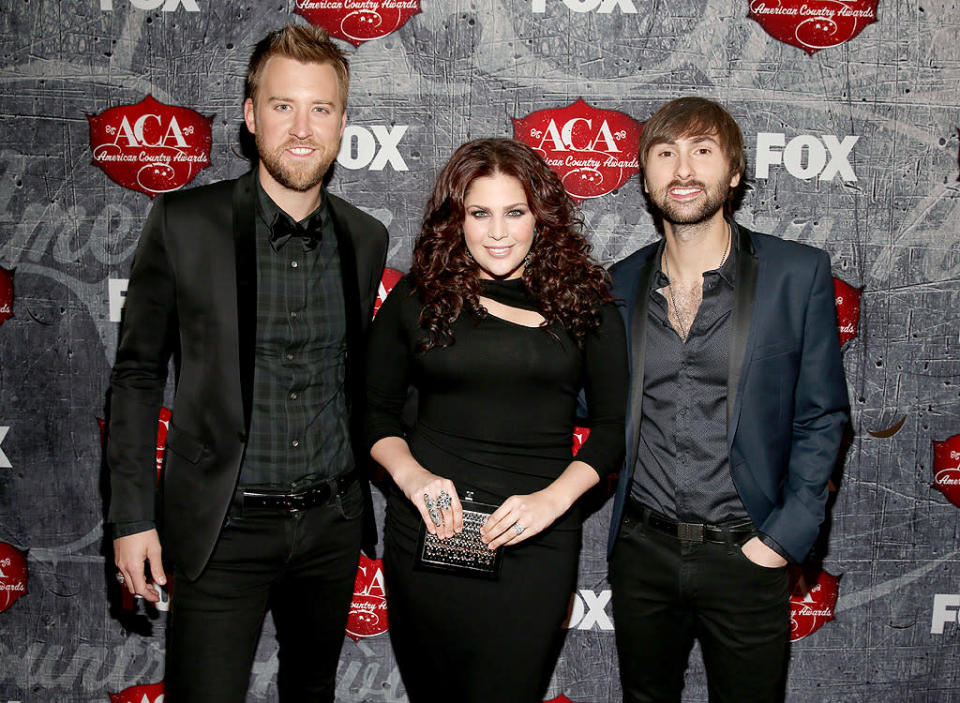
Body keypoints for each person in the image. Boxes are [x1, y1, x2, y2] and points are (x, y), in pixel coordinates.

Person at [106, 24, 388, 702]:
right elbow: (138, 374)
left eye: (320, 108)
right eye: (282, 105)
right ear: (249, 114)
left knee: (311, 690)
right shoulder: (183, 223)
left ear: (342, 122)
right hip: (221, 524)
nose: (301, 127)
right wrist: (131, 517)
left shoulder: (365, 237)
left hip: (331, 522)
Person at [365, 138, 627, 702]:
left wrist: (550, 503)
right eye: (480, 214)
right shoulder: (420, 295)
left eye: (515, 212)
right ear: (456, 219)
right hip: (433, 534)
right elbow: (372, 411)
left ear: (541, 216)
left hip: (536, 541)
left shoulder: (586, 302)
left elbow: (611, 430)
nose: (498, 233)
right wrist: (416, 481)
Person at [607, 96, 849, 702]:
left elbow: (822, 415)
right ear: (644, 177)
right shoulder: (617, 284)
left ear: (734, 172)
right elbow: (584, 399)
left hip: (748, 552)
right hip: (643, 552)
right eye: (665, 153)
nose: (682, 170)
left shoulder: (798, 273)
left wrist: (784, 538)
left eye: (702, 151)